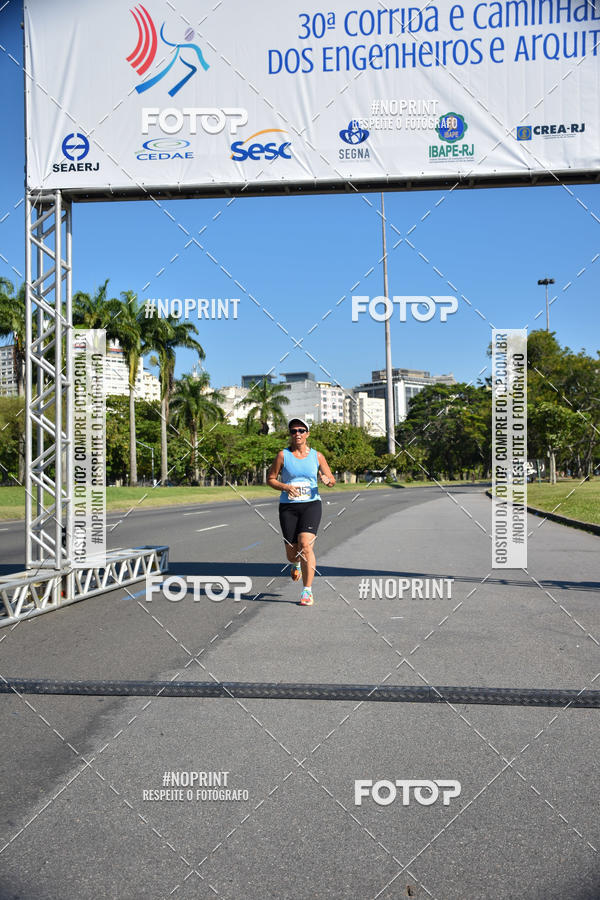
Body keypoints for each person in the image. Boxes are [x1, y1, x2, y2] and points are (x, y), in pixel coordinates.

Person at [267, 418, 336, 606]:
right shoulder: (283, 455)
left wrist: (327, 480)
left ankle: (307, 591)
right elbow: (270, 478)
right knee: (292, 553)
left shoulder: (317, 456)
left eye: (301, 430)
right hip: (288, 507)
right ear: (290, 434)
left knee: (306, 546)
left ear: (308, 433)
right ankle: (295, 564)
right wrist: (284, 486)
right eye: (293, 431)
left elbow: (331, 479)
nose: (297, 433)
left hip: (311, 505)